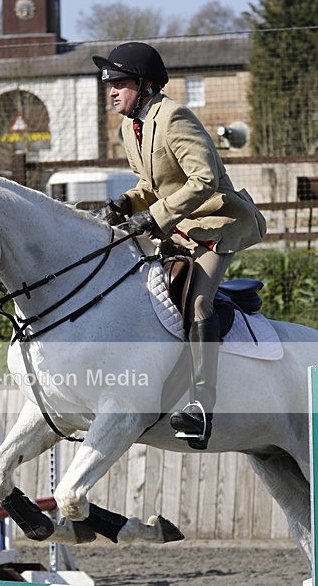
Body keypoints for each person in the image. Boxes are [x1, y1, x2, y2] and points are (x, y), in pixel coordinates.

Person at [92, 42, 266, 448]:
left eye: (119, 83)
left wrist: (152, 217)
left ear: (145, 84)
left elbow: (202, 180)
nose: (112, 92)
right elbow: (150, 186)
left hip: (216, 223)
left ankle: (202, 407)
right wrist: (127, 202)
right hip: (175, 225)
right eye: (109, 85)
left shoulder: (174, 116)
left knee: (199, 302)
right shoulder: (129, 126)